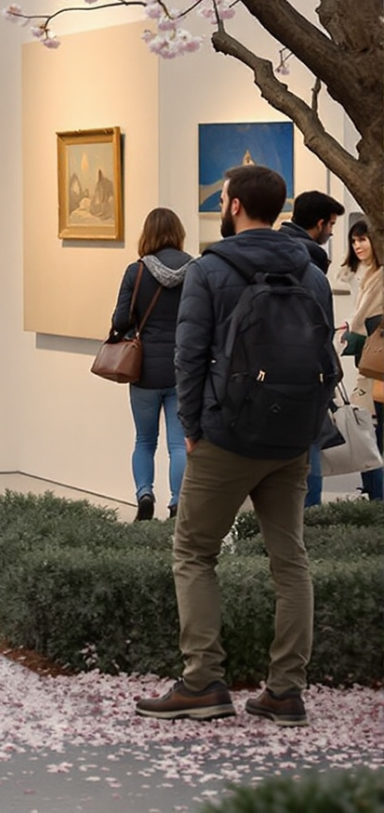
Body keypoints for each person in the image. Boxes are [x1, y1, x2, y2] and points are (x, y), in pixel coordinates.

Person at [137, 164, 334, 726]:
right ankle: (286, 691)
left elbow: (189, 356)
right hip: (292, 437)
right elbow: (324, 359)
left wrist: (193, 429)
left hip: (227, 435)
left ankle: (202, 681)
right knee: (290, 560)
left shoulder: (211, 270)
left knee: (194, 552)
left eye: (223, 198)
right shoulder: (311, 271)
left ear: (235, 207)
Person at [113, 207, 194, 521]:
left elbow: (120, 320)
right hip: (182, 369)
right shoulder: (195, 269)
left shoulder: (136, 272)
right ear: (178, 233)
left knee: (145, 439)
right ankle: (176, 503)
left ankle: (144, 494)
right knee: (178, 443)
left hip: (143, 369)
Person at [279, 191, 344, 507]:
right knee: (311, 449)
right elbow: (323, 334)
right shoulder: (313, 274)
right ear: (318, 224)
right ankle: (311, 520)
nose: (331, 232)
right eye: (331, 225)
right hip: (306, 378)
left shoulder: (265, 257)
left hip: (259, 378)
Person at [344, 218, 384, 503]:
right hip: (371, 363)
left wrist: (348, 331)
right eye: (354, 240)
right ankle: (372, 492)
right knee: (368, 429)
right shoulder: (367, 273)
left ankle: (376, 495)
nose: (358, 245)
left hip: (376, 366)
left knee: (370, 432)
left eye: (363, 239)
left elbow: (362, 320)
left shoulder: (380, 276)